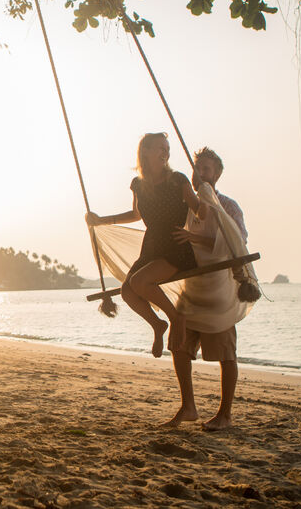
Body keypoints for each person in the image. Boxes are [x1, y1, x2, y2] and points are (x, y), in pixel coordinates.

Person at [86, 132, 206, 359]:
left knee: (140, 281)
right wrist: (102, 220)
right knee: (128, 291)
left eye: (167, 149)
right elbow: (136, 214)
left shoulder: (177, 180)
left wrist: (203, 194)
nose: (165, 152)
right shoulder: (139, 185)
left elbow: (200, 209)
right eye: (161, 148)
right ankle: (157, 325)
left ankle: (175, 317)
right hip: (151, 245)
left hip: (175, 246)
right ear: (146, 152)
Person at [165, 146, 248, 431]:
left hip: (218, 291)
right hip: (192, 287)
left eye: (206, 169)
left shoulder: (228, 205)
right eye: (197, 167)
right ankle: (188, 407)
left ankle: (225, 415)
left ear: (217, 175)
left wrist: (193, 237)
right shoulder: (183, 202)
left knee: (226, 353)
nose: (200, 173)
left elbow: (236, 242)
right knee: (179, 346)